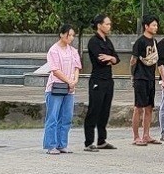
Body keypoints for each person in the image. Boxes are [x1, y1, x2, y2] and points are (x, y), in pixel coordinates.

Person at [43, 24, 82, 155]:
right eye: (68, 35)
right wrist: (68, 81)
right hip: (56, 86)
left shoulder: (73, 51)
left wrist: (74, 80)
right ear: (62, 34)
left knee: (66, 116)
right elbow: (55, 70)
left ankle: (62, 143)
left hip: (70, 88)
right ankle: (51, 144)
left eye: (72, 35)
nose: (70, 38)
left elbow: (77, 67)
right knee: (53, 116)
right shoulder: (54, 50)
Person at [85, 14, 120, 152]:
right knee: (94, 110)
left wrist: (111, 58)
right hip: (97, 80)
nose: (109, 26)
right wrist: (110, 59)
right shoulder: (94, 41)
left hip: (108, 80)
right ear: (99, 25)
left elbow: (116, 58)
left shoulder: (108, 41)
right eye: (107, 24)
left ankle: (102, 140)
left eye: (110, 24)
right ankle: (88, 142)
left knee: (105, 110)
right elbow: (101, 60)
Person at [130, 15, 160, 147]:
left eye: (156, 25)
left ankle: (146, 135)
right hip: (140, 77)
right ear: (146, 26)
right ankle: (136, 136)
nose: (155, 27)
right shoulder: (140, 42)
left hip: (150, 78)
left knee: (149, 107)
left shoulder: (154, 42)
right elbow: (133, 60)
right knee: (138, 108)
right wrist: (133, 75)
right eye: (153, 25)